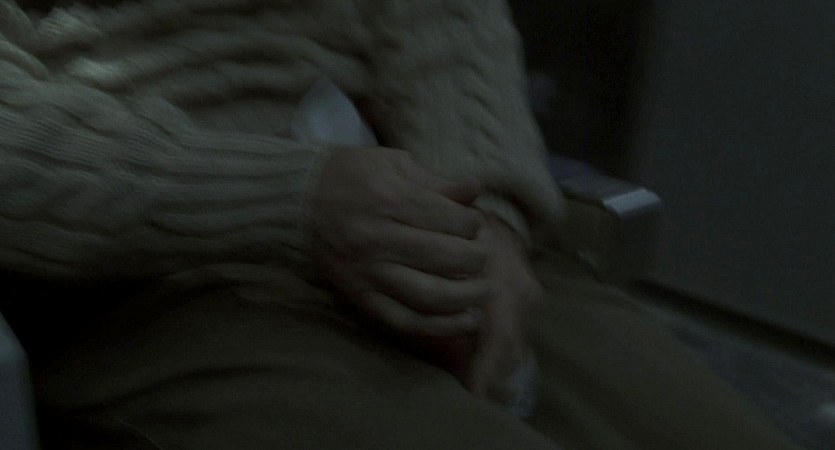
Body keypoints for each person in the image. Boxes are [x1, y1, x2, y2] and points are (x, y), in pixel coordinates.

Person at [0, 0, 799, 448]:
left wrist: (489, 213)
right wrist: (289, 199)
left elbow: (436, 16)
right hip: (146, 274)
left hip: (409, 200)